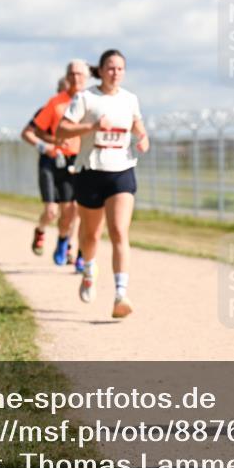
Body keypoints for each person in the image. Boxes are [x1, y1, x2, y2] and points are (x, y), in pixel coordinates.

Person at [58, 50, 149, 319]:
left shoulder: (129, 99)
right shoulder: (85, 98)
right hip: (91, 170)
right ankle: (89, 271)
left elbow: (138, 125)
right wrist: (92, 126)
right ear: (101, 70)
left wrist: (142, 137)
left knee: (119, 231)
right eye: (110, 68)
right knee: (91, 235)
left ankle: (121, 294)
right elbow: (62, 130)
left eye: (120, 68)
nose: (115, 73)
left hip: (122, 170)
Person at [21, 62, 87, 265]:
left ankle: (65, 244)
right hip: (50, 161)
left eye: (79, 74)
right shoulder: (53, 104)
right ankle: (41, 230)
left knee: (71, 210)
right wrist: (49, 144)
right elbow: (29, 133)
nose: (74, 80)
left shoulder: (88, 102)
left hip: (73, 160)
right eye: (71, 75)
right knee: (51, 211)